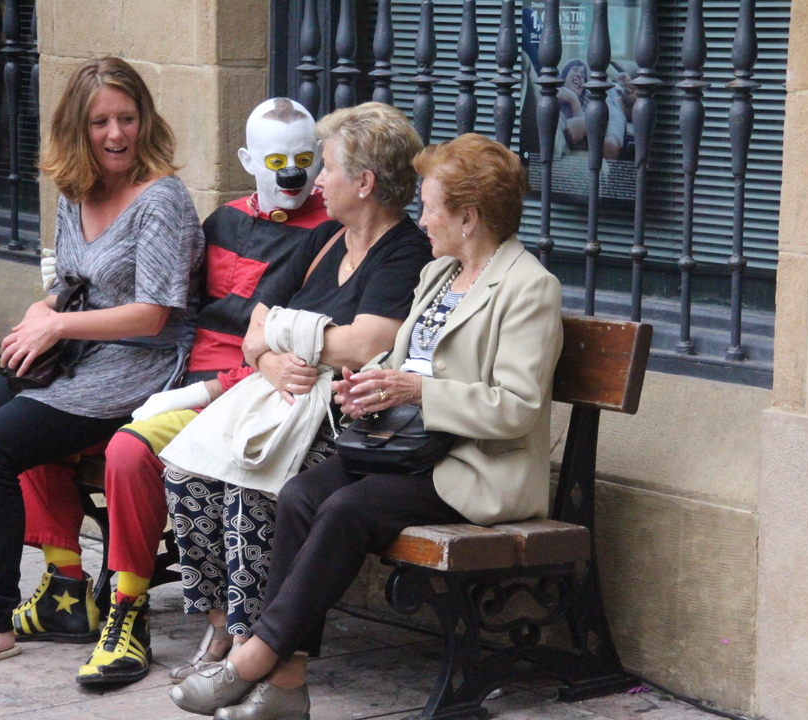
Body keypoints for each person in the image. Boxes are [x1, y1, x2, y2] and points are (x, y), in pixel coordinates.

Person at [169, 134, 564, 720]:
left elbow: (517, 408)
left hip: (473, 464)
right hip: (406, 446)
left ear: (469, 217)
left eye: (431, 207)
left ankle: (256, 659)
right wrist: (365, 383)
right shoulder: (440, 273)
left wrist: (418, 391)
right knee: (301, 494)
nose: (422, 219)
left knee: (346, 510)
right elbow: (401, 360)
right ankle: (287, 684)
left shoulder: (529, 287)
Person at [11, 98, 331, 686]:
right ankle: (65, 587)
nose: (292, 174)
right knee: (34, 428)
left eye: (305, 160)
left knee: (129, 452)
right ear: (247, 161)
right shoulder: (223, 221)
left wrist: (193, 394)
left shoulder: (329, 235)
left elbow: (296, 354)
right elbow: (170, 309)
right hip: (171, 375)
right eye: (276, 160)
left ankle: (128, 610)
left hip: (246, 395)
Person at [0, 57, 206, 673]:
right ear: (78, 129)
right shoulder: (76, 191)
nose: (116, 134)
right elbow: (71, 286)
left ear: (145, 120)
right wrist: (39, 311)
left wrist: (58, 326)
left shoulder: (162, 200)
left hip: (138, 368)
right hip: (75, 358)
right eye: (100, 122)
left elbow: (153, 314)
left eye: (127, 118)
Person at [162, 102, 434, 689]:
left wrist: (284, 338)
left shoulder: (406, 253)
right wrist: (270, 358)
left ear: (364, 183)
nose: (316, 180)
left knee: (250, 485)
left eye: (327, 166)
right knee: (187, 471)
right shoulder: (326, 239)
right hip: (279, 404)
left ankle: (252, 641)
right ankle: (221, 625)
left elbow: (366, 343)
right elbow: (255, 325)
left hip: (343, 424)